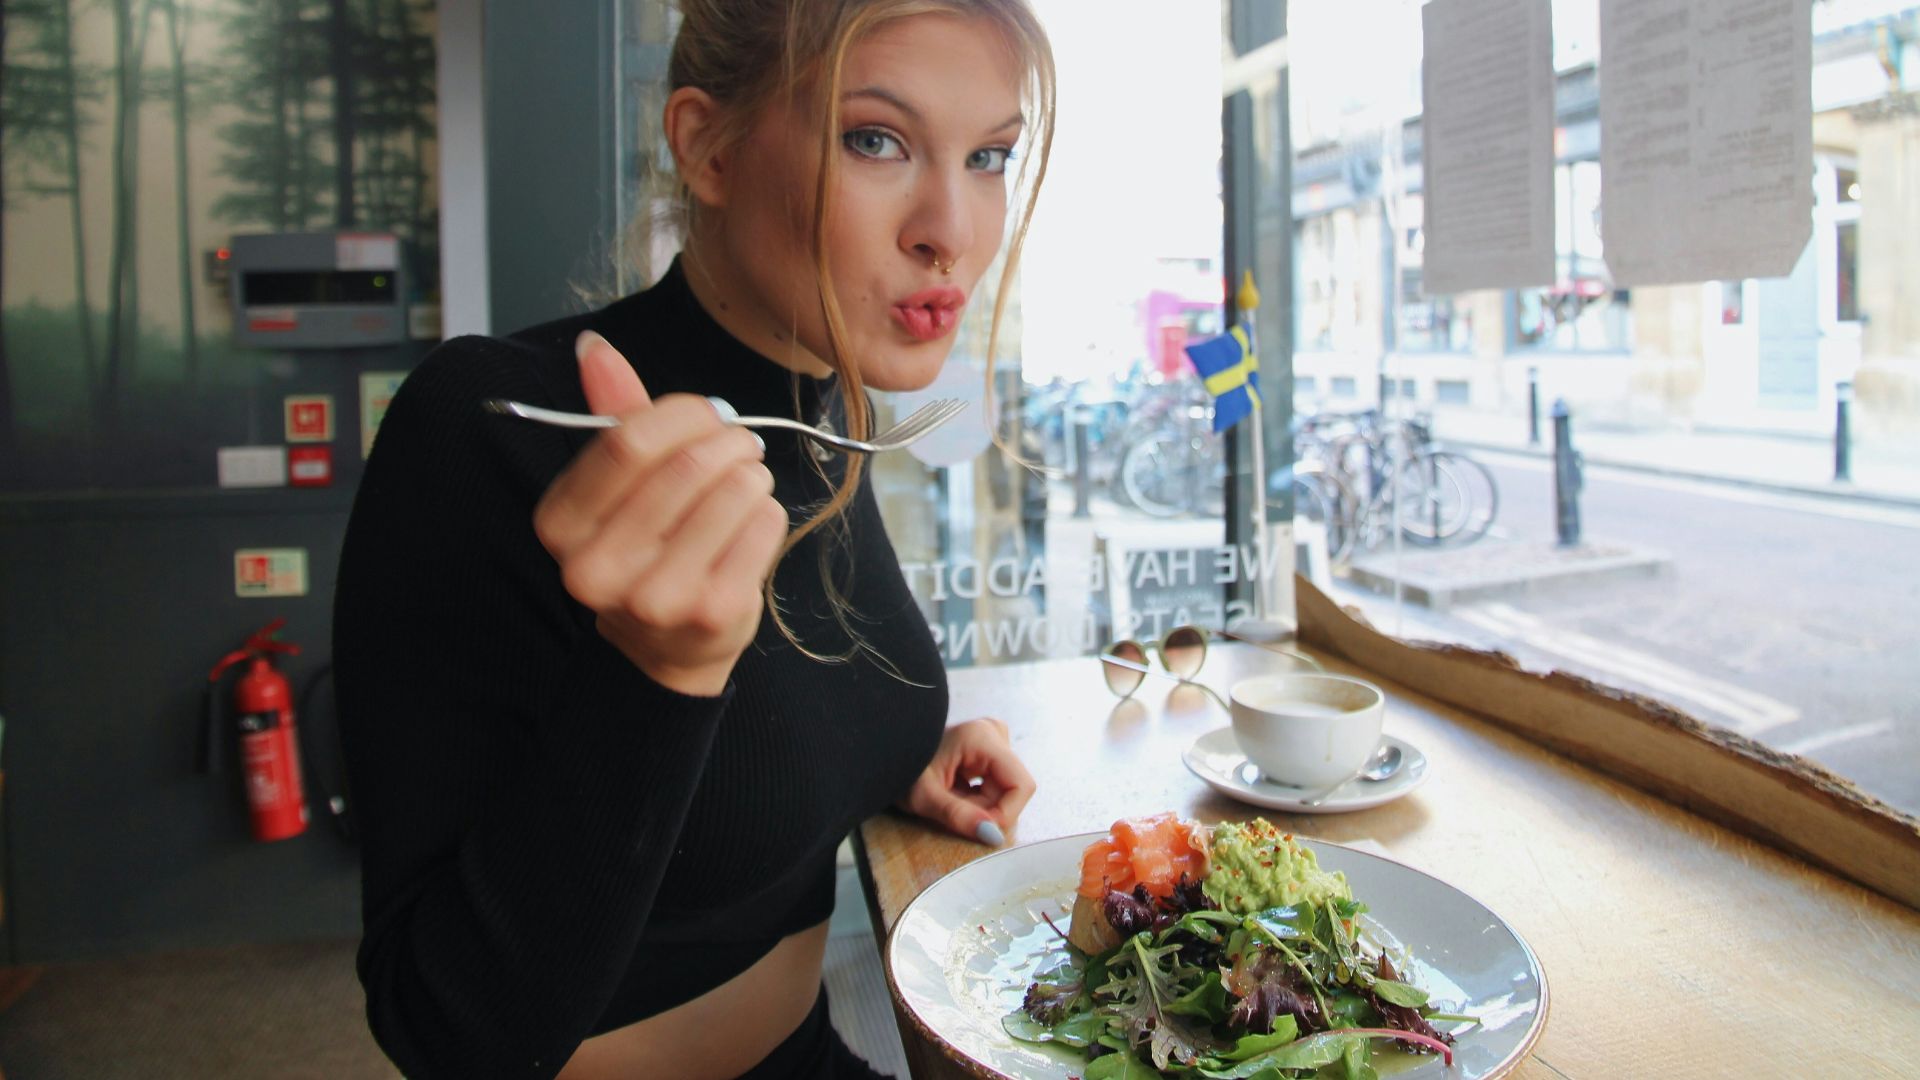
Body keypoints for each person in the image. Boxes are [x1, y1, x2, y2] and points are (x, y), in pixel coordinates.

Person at [331, 1, 1055, 1077]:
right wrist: (654, 673)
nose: (952, 228)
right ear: (706, 146)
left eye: (990, 155)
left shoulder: (825, 409)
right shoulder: (495, 425)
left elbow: (746, 758)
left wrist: (885, 758)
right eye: (877, 141)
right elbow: (442, 1032)